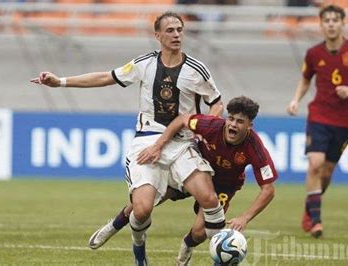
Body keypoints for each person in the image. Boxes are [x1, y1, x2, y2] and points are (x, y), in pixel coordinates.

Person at [31, 11, 226, 265]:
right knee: (142, 208)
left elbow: (217, 104)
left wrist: (204, 131)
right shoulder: (144, 64)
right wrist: (61, 82)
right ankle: (138, 248)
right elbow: (106, 77)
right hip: (148, 139)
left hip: (183, 143)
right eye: (170, 30)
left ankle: (221, 254)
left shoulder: (196, 70)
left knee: (209, 199)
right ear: (157, 35)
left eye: (179, 29)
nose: (176, 34)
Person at [90, 96, 277, 266]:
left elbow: (268, 189)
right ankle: (115, 225)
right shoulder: (211, 125)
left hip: (222, 186)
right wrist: (159, 145)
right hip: (192, 172)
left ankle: (187, 246)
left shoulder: (255, 148)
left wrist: (245, 218)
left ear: (249, 126)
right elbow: (182, 120)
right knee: (144, 205)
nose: (233, 125)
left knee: (199, 232)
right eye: (231, 118)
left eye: (240, 122)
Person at [286, 4, 348, 238]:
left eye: (335, 20)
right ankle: (316, 220)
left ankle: (310, 207)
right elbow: (306, 80)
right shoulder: (313, 53)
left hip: (345, 121)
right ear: (321, 24)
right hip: (318, 115)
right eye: (326, 20)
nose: (330, 24)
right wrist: (295, 100)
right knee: (315, 164)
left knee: (326, 172)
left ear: (342, 23)